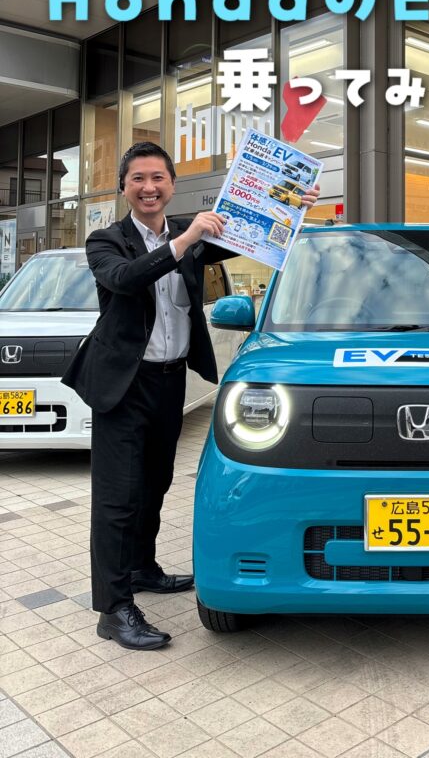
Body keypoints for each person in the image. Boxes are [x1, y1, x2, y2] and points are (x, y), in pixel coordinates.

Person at [62, 142, 319, 650]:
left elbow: (251, 235)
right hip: (122, 385)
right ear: (124, 187)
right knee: (117, 497)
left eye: (158, 177)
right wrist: (186, 240)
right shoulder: (106, 240)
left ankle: (142, 567)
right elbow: (125, 279)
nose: (149, 187)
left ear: (172, 185)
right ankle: (113, 609)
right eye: (138, 179)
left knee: (155, 481)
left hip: (169, 381)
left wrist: (293, 204)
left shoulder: (191, 232)